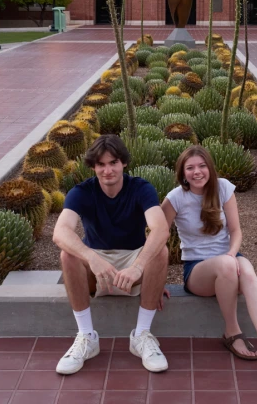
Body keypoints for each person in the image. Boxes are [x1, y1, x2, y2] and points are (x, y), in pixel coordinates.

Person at [161, 145, 257, 392]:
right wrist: (155, 282)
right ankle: (232, 332)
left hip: (228, 259)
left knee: (249, 273)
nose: (197, 172)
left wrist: (232, 254)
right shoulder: (175, 197)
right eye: (190, 168)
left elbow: (236, 231)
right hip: (197, 271)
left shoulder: (223, 187)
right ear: (182, 172)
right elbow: (158, 238)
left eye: (202, 166)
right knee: (228, 265)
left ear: (209, 168)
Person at [53, 136, 171, 375]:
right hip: (96, 263)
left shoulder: (141, 188)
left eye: (113, 162)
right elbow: (60, 232)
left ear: (123, 163)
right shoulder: (82, 192)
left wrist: (138, 267)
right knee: (68, 256)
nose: (107, 170)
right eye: (101, 164)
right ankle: (87, 337)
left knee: (161, 251)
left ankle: (141, 336)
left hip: (132, 261)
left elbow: (161, 229)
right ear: (93, 167)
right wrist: (93, 259)